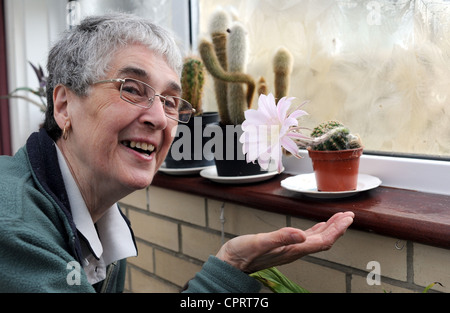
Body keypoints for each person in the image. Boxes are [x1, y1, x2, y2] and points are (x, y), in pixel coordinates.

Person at [0, 13, 354, 293]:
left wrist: (230, 265)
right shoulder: (15, 230)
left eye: (170, 101)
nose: (158, 117)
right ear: (64, 105)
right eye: (133, 89)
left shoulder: (100, 216)